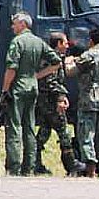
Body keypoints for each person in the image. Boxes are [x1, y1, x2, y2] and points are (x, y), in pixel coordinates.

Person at [1, 12, 58, 176]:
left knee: (14, 126)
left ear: (22, 24)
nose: (13, 27)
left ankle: (14, 166)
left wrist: (5, 90)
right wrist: (38, 76)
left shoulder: (17, 42)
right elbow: (56, 62)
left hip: (18, 87)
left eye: (14, 24)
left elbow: (12, 68)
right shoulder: (38, 42)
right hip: (32, 87)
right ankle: (29, 167)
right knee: (30, 127)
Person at [65, 28, 99, 177]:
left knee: (86, 134)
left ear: (91, 41)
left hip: (89, 99)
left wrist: (68, 61)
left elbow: (71, 71)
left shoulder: (89, 55)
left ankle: (90, 169)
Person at [34, 31, 85, 177]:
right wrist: (60, 98)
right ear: (58, 44)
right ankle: (71, 165)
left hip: (46, 101)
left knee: (44, 132)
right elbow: (51, 82)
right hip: (52, 102)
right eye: (65, 42)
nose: (67, 45)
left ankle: (35, 163)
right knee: (63, 132)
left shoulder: (50, 58)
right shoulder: (53, 60)